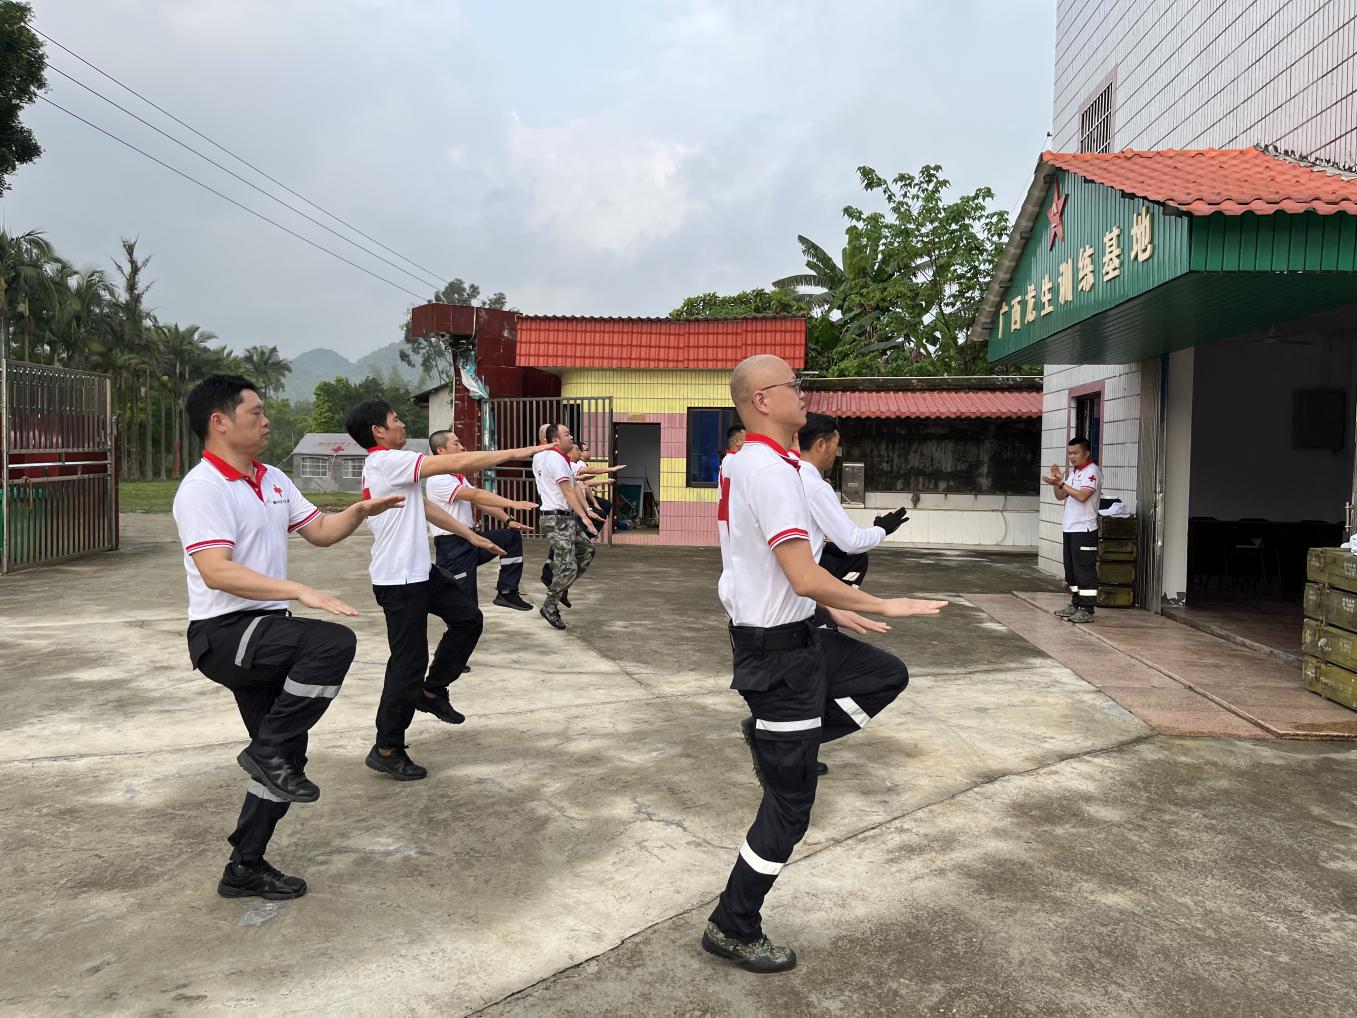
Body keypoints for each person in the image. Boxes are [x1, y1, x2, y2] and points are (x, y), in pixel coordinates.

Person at [703, 354, 946, 973]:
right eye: (794, 385)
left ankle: (782, 739)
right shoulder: (769, 471)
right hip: (776, 654)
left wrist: (832, 609)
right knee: (789, 810)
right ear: (762, 400)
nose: (804, 394)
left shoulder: (754, 462)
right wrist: (882, 602)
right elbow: (804, 574)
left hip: (800, 634)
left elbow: (765, 568)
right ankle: (732, 925)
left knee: (884, 675)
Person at [172, 375, 403, 900]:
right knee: (331, 644)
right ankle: (268, 748)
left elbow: (319, 532)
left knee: (286, 765)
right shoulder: (203, 488)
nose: (266, 420)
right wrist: (300, 590)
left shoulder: (271, 478)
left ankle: (244, 867)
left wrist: (358, 511)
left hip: (264, 631)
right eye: (255, 412)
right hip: (224, 633)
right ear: (219, 422)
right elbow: (215, 571)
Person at [346, 398, 548, 781]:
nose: (402, 424)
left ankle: (433, 691)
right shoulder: (386, 460)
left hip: (421, 572)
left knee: (468, 618)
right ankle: (387, 747)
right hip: (398, 581)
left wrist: (472, 536)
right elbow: (461, 462)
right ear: (378, 431)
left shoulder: (392, 467)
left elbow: (423, 506)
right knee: (407, 665)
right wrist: (522, 451)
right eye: (395, 419)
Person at [426, 429, 538, 612]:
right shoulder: (438, 479)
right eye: (456, 443)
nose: (462, 447)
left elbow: (479, 502)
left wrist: (508, 520)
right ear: (441, 451)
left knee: (510, 537)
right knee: (466, 608)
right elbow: (476, 496)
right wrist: (513, 503)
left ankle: (507, 592)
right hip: (452, 548)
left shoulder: (457, 477)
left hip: (471, 541)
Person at [796, 412, 909, 589]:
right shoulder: (816, 486)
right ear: (821, 445)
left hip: (780, 574)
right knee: (857, 558)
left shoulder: (786, 474)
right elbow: (852, 542)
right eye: (836, 444)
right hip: (800, 580)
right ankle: (836, 603)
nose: (837, 453)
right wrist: (882, 528)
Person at [534, 424, 602, 629]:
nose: (571, 437)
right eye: (567, 434)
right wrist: (585, 517)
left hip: (563, 517)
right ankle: (550, 605)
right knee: (568, 567)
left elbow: (574, 486)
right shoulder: (555, 459)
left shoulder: (545, 457)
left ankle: (561, 585)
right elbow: (568, 491)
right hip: (556, 519)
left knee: (587, 550)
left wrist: (586, 511)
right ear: (555, 440)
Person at [1044, 435, 1101, 623]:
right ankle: (1076, 604)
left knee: (1084, 570)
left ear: (1087, 453)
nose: (1072, 457)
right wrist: (1058, 482)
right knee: (1071, 570)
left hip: (1085, 529)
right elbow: (1061, 496)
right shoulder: (1075, 473)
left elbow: (1083, 496)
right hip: (1070, 528)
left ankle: (1087, 608)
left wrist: (1062, 484)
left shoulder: (1092, 472)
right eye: (1069, 453)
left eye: (1076, 453)